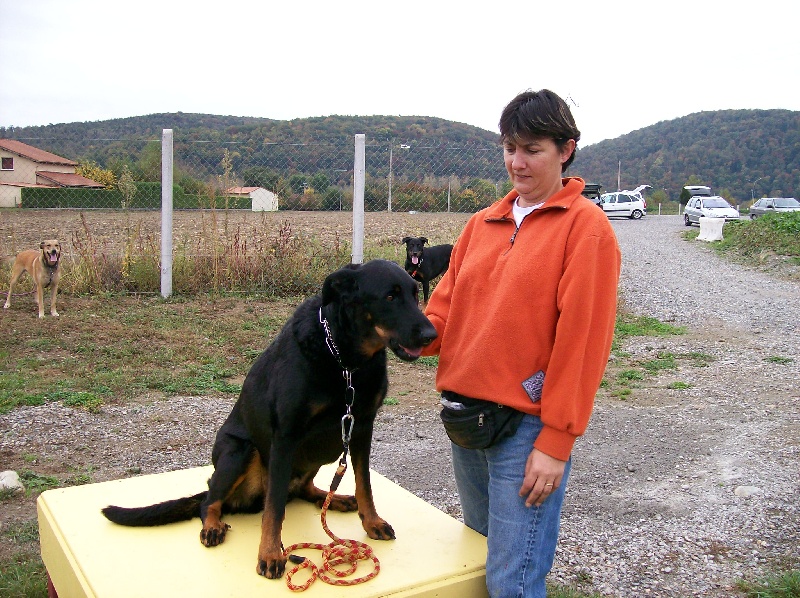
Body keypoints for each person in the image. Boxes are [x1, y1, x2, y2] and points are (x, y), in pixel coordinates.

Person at [422, 89, 621, 597]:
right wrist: (401, 333)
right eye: (510, 148)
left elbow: (583, 342)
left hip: (526, 427)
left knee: (512, 580)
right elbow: (444, 308)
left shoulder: (586, 229)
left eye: (533, 149)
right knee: (478, 558)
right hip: (466, 414)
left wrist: (556, 441)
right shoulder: (482, 223)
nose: (518, 161)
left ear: (566, 149)